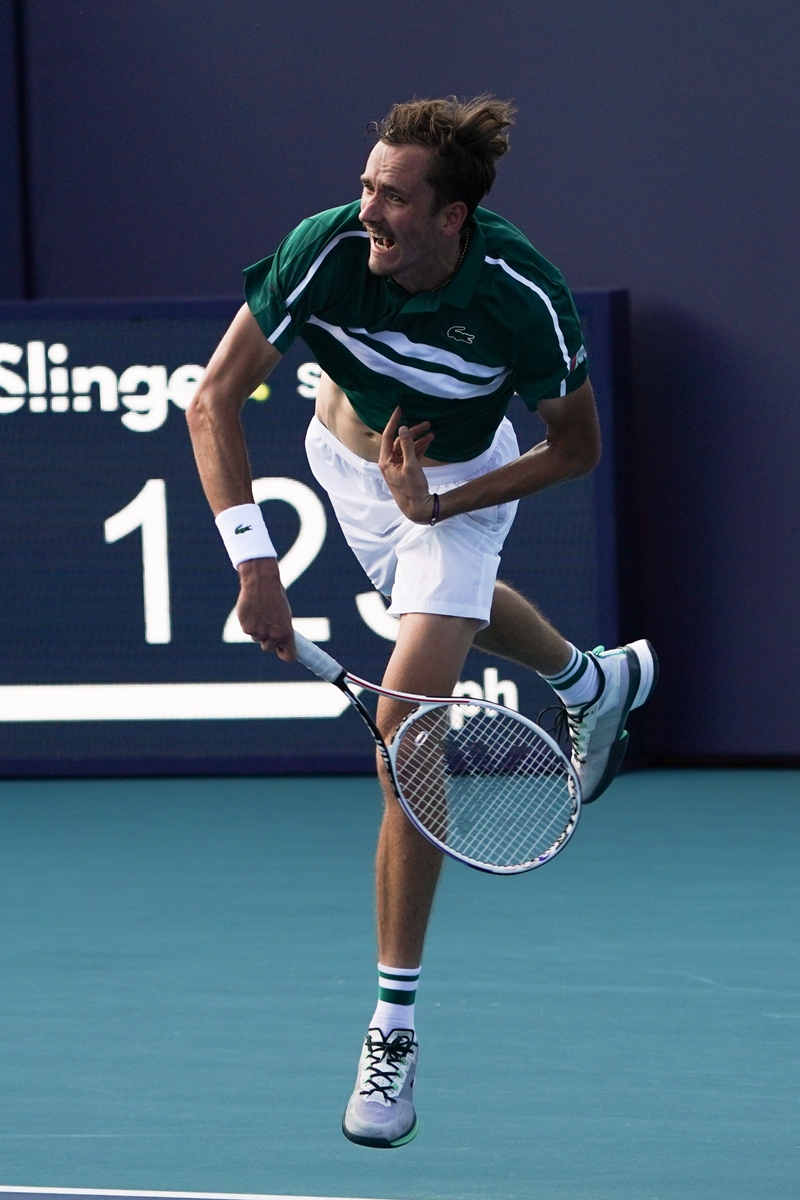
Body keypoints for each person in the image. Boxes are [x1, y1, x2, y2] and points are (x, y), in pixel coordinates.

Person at [187, 95, 656, 1149]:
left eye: (393, 199)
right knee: (442, 619)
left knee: (408, 735)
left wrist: (440, 507)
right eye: (364, 188)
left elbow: (573, 448)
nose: (368, 213)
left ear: (453, 219)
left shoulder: (520, 294)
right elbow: (212, 400)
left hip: (456, 486)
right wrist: (253, 562)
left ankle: (391, 1028)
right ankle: (591, 682)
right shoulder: (329, 248)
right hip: (341, 461)